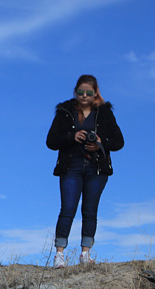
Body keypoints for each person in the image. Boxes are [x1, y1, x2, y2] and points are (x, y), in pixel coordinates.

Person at [45, 74, 125, 268]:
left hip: (96, 168)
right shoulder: (65, 111)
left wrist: (99, 143)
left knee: (90, 210)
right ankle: (59, 254)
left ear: (96, 93)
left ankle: (85, 253)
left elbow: (119, 142)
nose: (84, 96)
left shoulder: (104, 113)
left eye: (89, 92)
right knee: (68, 208)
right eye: (80, 92)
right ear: (75, 92)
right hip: (70, 166)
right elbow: (51, 141)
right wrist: (72, 136)